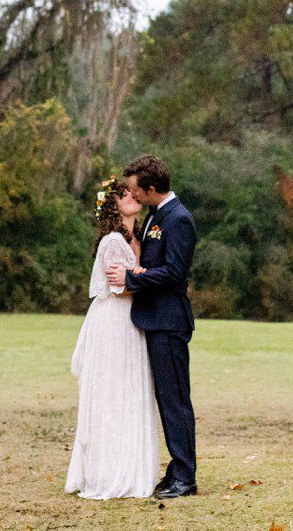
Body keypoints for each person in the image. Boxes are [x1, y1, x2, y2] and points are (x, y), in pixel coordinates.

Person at [105, 154, 198, 500]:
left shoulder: (179, 219)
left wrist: (132, 277)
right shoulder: (155, 217)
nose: (133, 194)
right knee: (165, 398)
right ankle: (177, 468)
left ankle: (185, 476)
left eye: (135, 189)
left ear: (151, 188)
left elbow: (175, 273)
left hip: (169, 321)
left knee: (175, 400)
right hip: (153, 319)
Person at [65, 176, 159, 499]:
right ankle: (108, 471)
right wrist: (143, 277)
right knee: (112, 393)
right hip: (113, 324)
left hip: (131, 324)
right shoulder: (111, 242)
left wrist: (141, 276)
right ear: (112, 206)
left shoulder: (140, 237)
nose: (131, 196)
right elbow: (119, 287)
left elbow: (132, 278)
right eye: (122, 194)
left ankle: (133, 467)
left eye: (130, 192)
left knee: (131, 391)